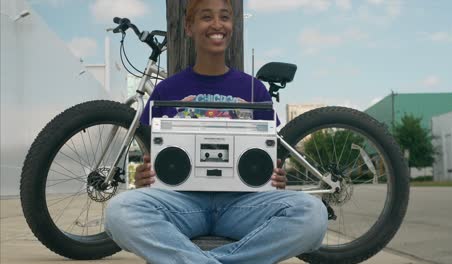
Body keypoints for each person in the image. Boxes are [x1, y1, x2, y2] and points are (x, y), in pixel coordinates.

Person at [105, 1, 328, 263]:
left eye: (224, 17)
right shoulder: (167, 90)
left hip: (242, 205)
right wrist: (145, 175)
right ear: (189, 26)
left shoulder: (255, 90)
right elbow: (151, 156)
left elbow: (268, 154)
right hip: (182, 203)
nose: (217, 24)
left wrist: (275, 175)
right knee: (119, 211)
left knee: (313, 214)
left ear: (232, 26)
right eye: (206, 17)